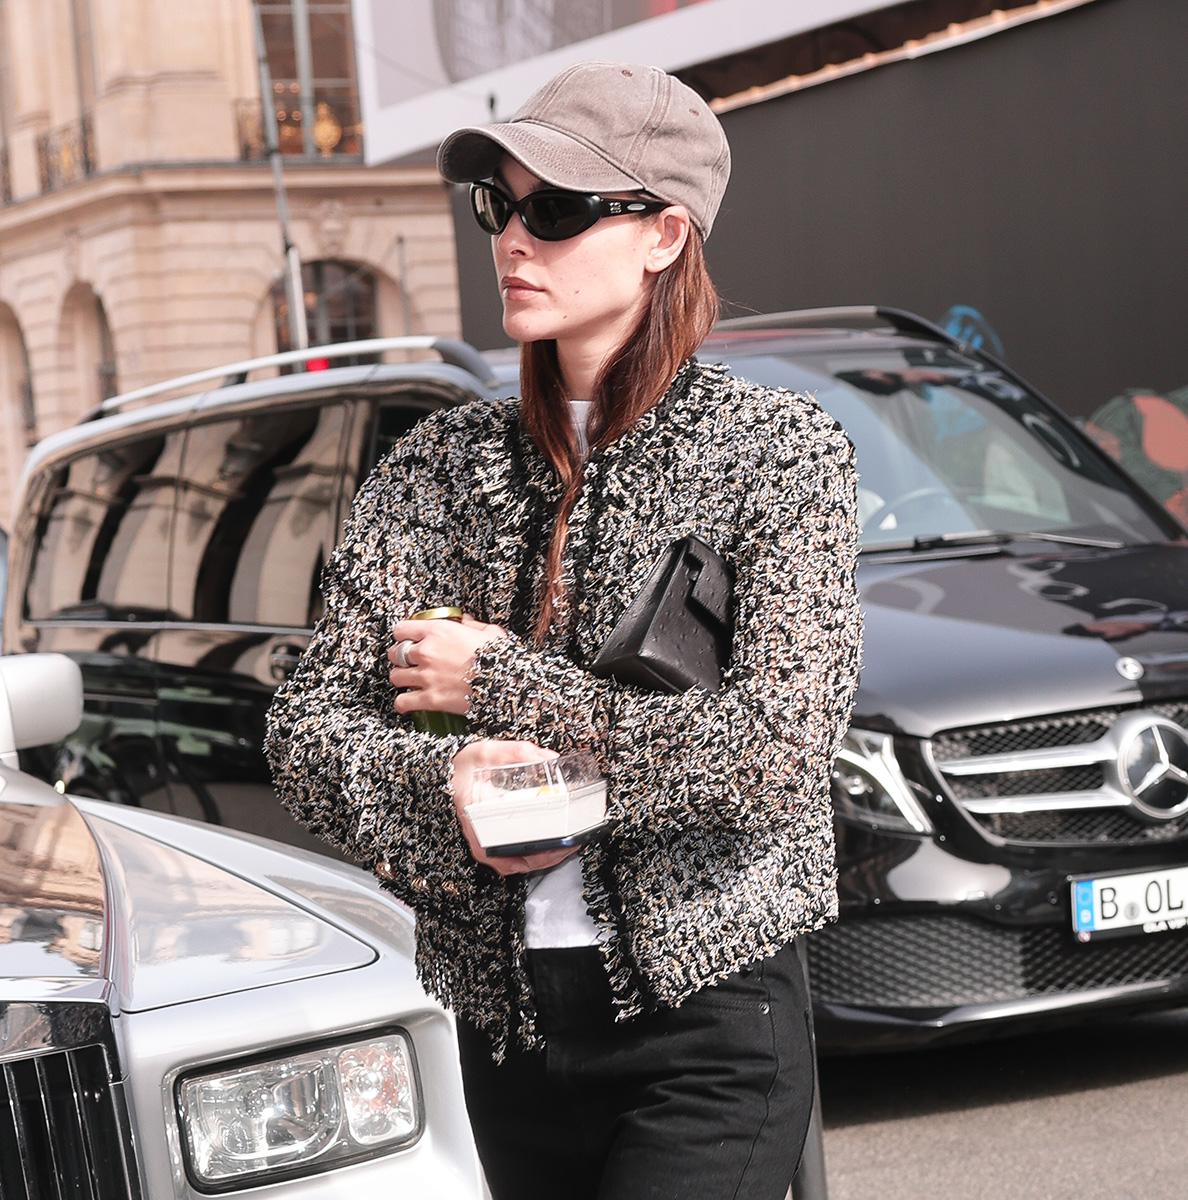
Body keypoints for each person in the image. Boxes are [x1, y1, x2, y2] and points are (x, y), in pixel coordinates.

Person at [265, 59, 862, 1200]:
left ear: (664, 233)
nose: (513, 239)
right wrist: (445, 781)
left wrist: (503, 682)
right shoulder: (437, 471)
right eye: (502, 204)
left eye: (558, 208)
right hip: (512, 1035)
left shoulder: (777, 454)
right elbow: (306, 734)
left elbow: (776, 749)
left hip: (712, 1019)